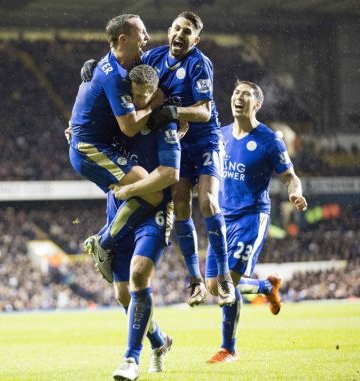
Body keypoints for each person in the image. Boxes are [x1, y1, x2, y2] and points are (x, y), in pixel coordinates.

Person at [82, 11, 235, 307]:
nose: (180, 34)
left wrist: (172, 112)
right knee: (179, 204)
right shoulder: (153, 58)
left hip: (205, 140)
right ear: (168, 32)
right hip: (177, 143)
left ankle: (225, 278)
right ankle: (194, 281)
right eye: (177, 28)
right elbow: (120, 67)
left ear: (196, 39)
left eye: (187, 31)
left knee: (207, 202)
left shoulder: (199, 64)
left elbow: (203, 111)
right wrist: (94, 66)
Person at [205, 80, 307, 363]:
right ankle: (265, 288)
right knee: (214, 286)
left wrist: (295, 193)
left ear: (257, 104)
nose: (239, 97)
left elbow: (290, 176)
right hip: (220, 218)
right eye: (236, 92)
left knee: (226, 284)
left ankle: (228, 349)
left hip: (251, 217)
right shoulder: (221, 135)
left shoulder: (269, 139)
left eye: (246, 95)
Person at [90, 64, 179, 380]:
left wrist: (130, 188)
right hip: (119, 208)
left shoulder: (165, 123)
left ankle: (131, 359)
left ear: (155, 93)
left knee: (139, 274)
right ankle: (159, 340)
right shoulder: (116, 119)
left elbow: (169, 174)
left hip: (154, 212)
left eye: (145, 96)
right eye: (134, 96)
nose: (139, 102)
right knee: (122, 294)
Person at [68, 14, 165, 284]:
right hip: (90, 149)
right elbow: (129, 127)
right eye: (141, 33)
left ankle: (106, 240)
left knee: (140, 194)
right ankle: (103, 241)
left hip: (94, 145)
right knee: (154, 193)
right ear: (124, 39)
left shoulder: (116, 63)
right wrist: (152, 106)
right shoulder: (116, 76)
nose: (147, 38)